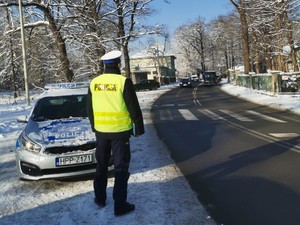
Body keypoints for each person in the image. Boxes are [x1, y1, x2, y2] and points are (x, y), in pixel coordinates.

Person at [86, 50, 145, 216]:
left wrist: (94, 126)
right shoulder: (123, 81)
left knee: (101, 165)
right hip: (120, 133)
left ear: (105, 65)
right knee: (120, 168)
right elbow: (133, 106)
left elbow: (89, 109)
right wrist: (138, 127)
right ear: (118, 64)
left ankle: (100, 198)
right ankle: (120, 205)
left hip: (101, 132)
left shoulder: (94, 82)